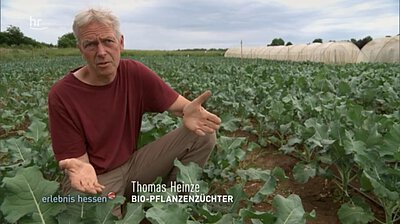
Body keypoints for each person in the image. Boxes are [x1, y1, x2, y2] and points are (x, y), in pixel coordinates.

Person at [48, 8, 221, 216]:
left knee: (202, 134)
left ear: (121, 42)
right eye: (91, 44)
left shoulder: (134, 73)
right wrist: (81, 168)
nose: (101, 52)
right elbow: (80, 165)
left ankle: (175, 206)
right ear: (80, 49)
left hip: (132, 167)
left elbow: (182, 107)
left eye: (108, 41)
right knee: (98, 214)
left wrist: (187, 111)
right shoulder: (62, 94)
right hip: (96, 180)